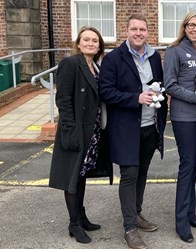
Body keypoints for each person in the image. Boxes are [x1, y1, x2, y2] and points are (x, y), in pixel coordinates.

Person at [98, 14, 168, 249]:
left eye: (143, 29)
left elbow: (159, 84)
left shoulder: (155, 57)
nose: (139, 33)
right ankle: (129, 227)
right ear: (126, 31)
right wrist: (135, 98)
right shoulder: (114, 59)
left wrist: (159, 95)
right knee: (129, 176)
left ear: (148, 32)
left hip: (150, 127)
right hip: (126, 130)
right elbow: (106, 91)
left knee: (142, 173)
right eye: (134, 29)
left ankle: (136, 213)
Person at [49, 26, 113, 244]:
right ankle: (73, 223)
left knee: (82, 175)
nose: (91, 44)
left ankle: (81, 216)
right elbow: (63, 100)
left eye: (95, 41)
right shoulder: (70, 64)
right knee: (73, 177)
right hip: (76, 131)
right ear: (78, 43)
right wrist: (70, 129)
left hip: (92, 131)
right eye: (86, 40)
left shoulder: (95, 66)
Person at [163, 10, 196, 243]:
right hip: (184, 117)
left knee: (194, 166)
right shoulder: (174, 51)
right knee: (186, 166)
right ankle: (181, 221)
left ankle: (191, 213)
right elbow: (170, 86)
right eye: (192, 25)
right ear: (184, 27)